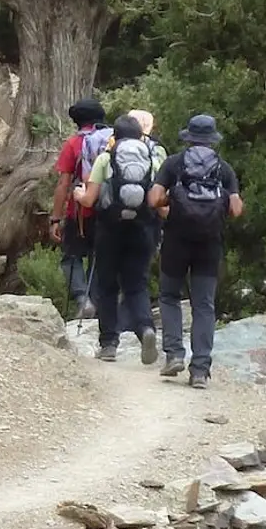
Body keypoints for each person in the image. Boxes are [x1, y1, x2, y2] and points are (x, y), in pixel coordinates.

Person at [149, 114, 243, 388]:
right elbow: (236, 209)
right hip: (209, 244)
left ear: (187, 137)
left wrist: (173, 203)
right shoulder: (223, 169)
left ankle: (174, 354)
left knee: (168, 296)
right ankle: (200, 370)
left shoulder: (174, 164)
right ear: (213, 140)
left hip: (176, 241)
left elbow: (154, 198)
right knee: (204, 305)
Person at [75, 113, 164, 364]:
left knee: (107, 286)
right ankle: (146, 328)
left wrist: (79, 194)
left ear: (115, 136)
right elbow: (157, 199)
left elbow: (90, 200)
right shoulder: (152, 158)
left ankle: (109, 344)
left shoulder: (106, 158)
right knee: (136, 284)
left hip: (109, 229)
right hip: (143, 228)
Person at [49, 98, 109, 320]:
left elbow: (63, 184)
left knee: (71, 257)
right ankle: (98, 308)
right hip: (109, 211)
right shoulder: (115, 140)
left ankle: (83, 299)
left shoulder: (74, 143)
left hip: (80, 212)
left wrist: (55, 219)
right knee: (99, 258)